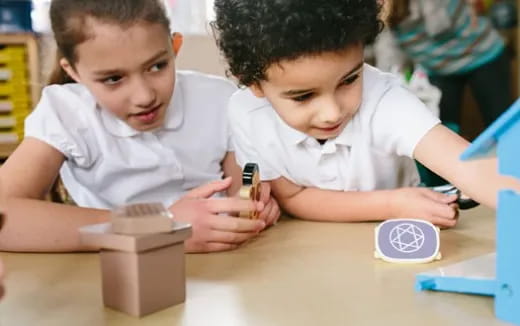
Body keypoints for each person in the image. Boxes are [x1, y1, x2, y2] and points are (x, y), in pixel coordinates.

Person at [0, 0, 280, 253]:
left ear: (175, 47)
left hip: (224, 269)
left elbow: (242, 189)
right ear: (74, 73)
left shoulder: (220, 98)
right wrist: (159, 226)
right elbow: (4, 216)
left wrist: (254, 208)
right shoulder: (66, 112)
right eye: (112, 79)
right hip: (123, 272)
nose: (144, 96)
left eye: (157, 66)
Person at [212, 0, 520, 227]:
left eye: (349, 80)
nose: (332, 113)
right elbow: (294, 197)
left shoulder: (385, 99)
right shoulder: (246, 112)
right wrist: (390, 204)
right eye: (303, 96)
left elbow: (472, 168)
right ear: (255, 85)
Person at [375, 0, 512, 130]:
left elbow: (439, 25)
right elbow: (388, 52)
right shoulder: (385, 10)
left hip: (482, 54)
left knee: (500, 123)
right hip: (437, 68)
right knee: (445, 129)